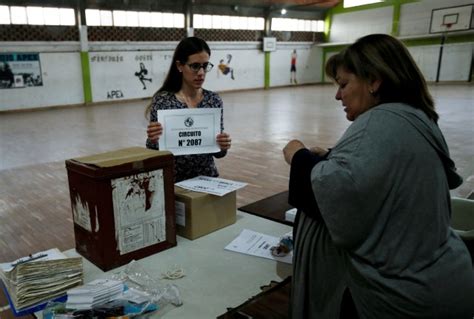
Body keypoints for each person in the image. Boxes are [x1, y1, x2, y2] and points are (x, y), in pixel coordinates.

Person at [282, 34, 474, 319]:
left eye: (344, 84)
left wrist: (298, 155)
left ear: (373, 81)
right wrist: (335, 156)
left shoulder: (376, 122)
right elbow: (384, 168)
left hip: (402, 297)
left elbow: (331, 195)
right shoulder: (415, 117)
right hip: (445, 278)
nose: (338, 95)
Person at [145, 37, 232, 182]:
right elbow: (153, 151)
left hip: (207, 180)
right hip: (174, 182)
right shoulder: (163, 102)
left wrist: (223, 145)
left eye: (205, 66)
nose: (201, 72)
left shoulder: (213, 100)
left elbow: (218, 153)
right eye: (195, 66)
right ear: (180, 66)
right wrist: (153, 139)